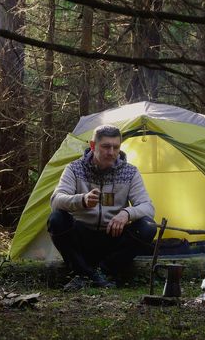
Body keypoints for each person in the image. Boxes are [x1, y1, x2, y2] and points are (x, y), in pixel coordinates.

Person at [48, 124, 157, 291]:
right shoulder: (74, 168)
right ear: (93, 146)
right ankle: (85, 273)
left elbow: (148, 207)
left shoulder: (130, 172)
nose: (111, 152)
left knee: (147, 227)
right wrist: (81, 200)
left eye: (116, 147)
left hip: (112, 236)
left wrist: (127, 214)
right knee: (56, 219)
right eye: (106, 146)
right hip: (82, 236)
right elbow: (56, 200)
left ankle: (103, 272)